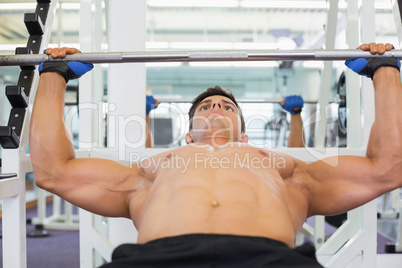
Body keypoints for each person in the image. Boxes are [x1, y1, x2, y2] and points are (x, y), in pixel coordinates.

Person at [29, 43, 402, 267]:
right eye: (206, 106)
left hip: (268, 260)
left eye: (226, 105)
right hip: (158, 260)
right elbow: (54, 171)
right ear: (188, 131)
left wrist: (384, 71)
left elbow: (387, 169)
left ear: (245, 129)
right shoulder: (152, 169)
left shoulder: (284, 168)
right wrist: (53, 75)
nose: (217, 107)